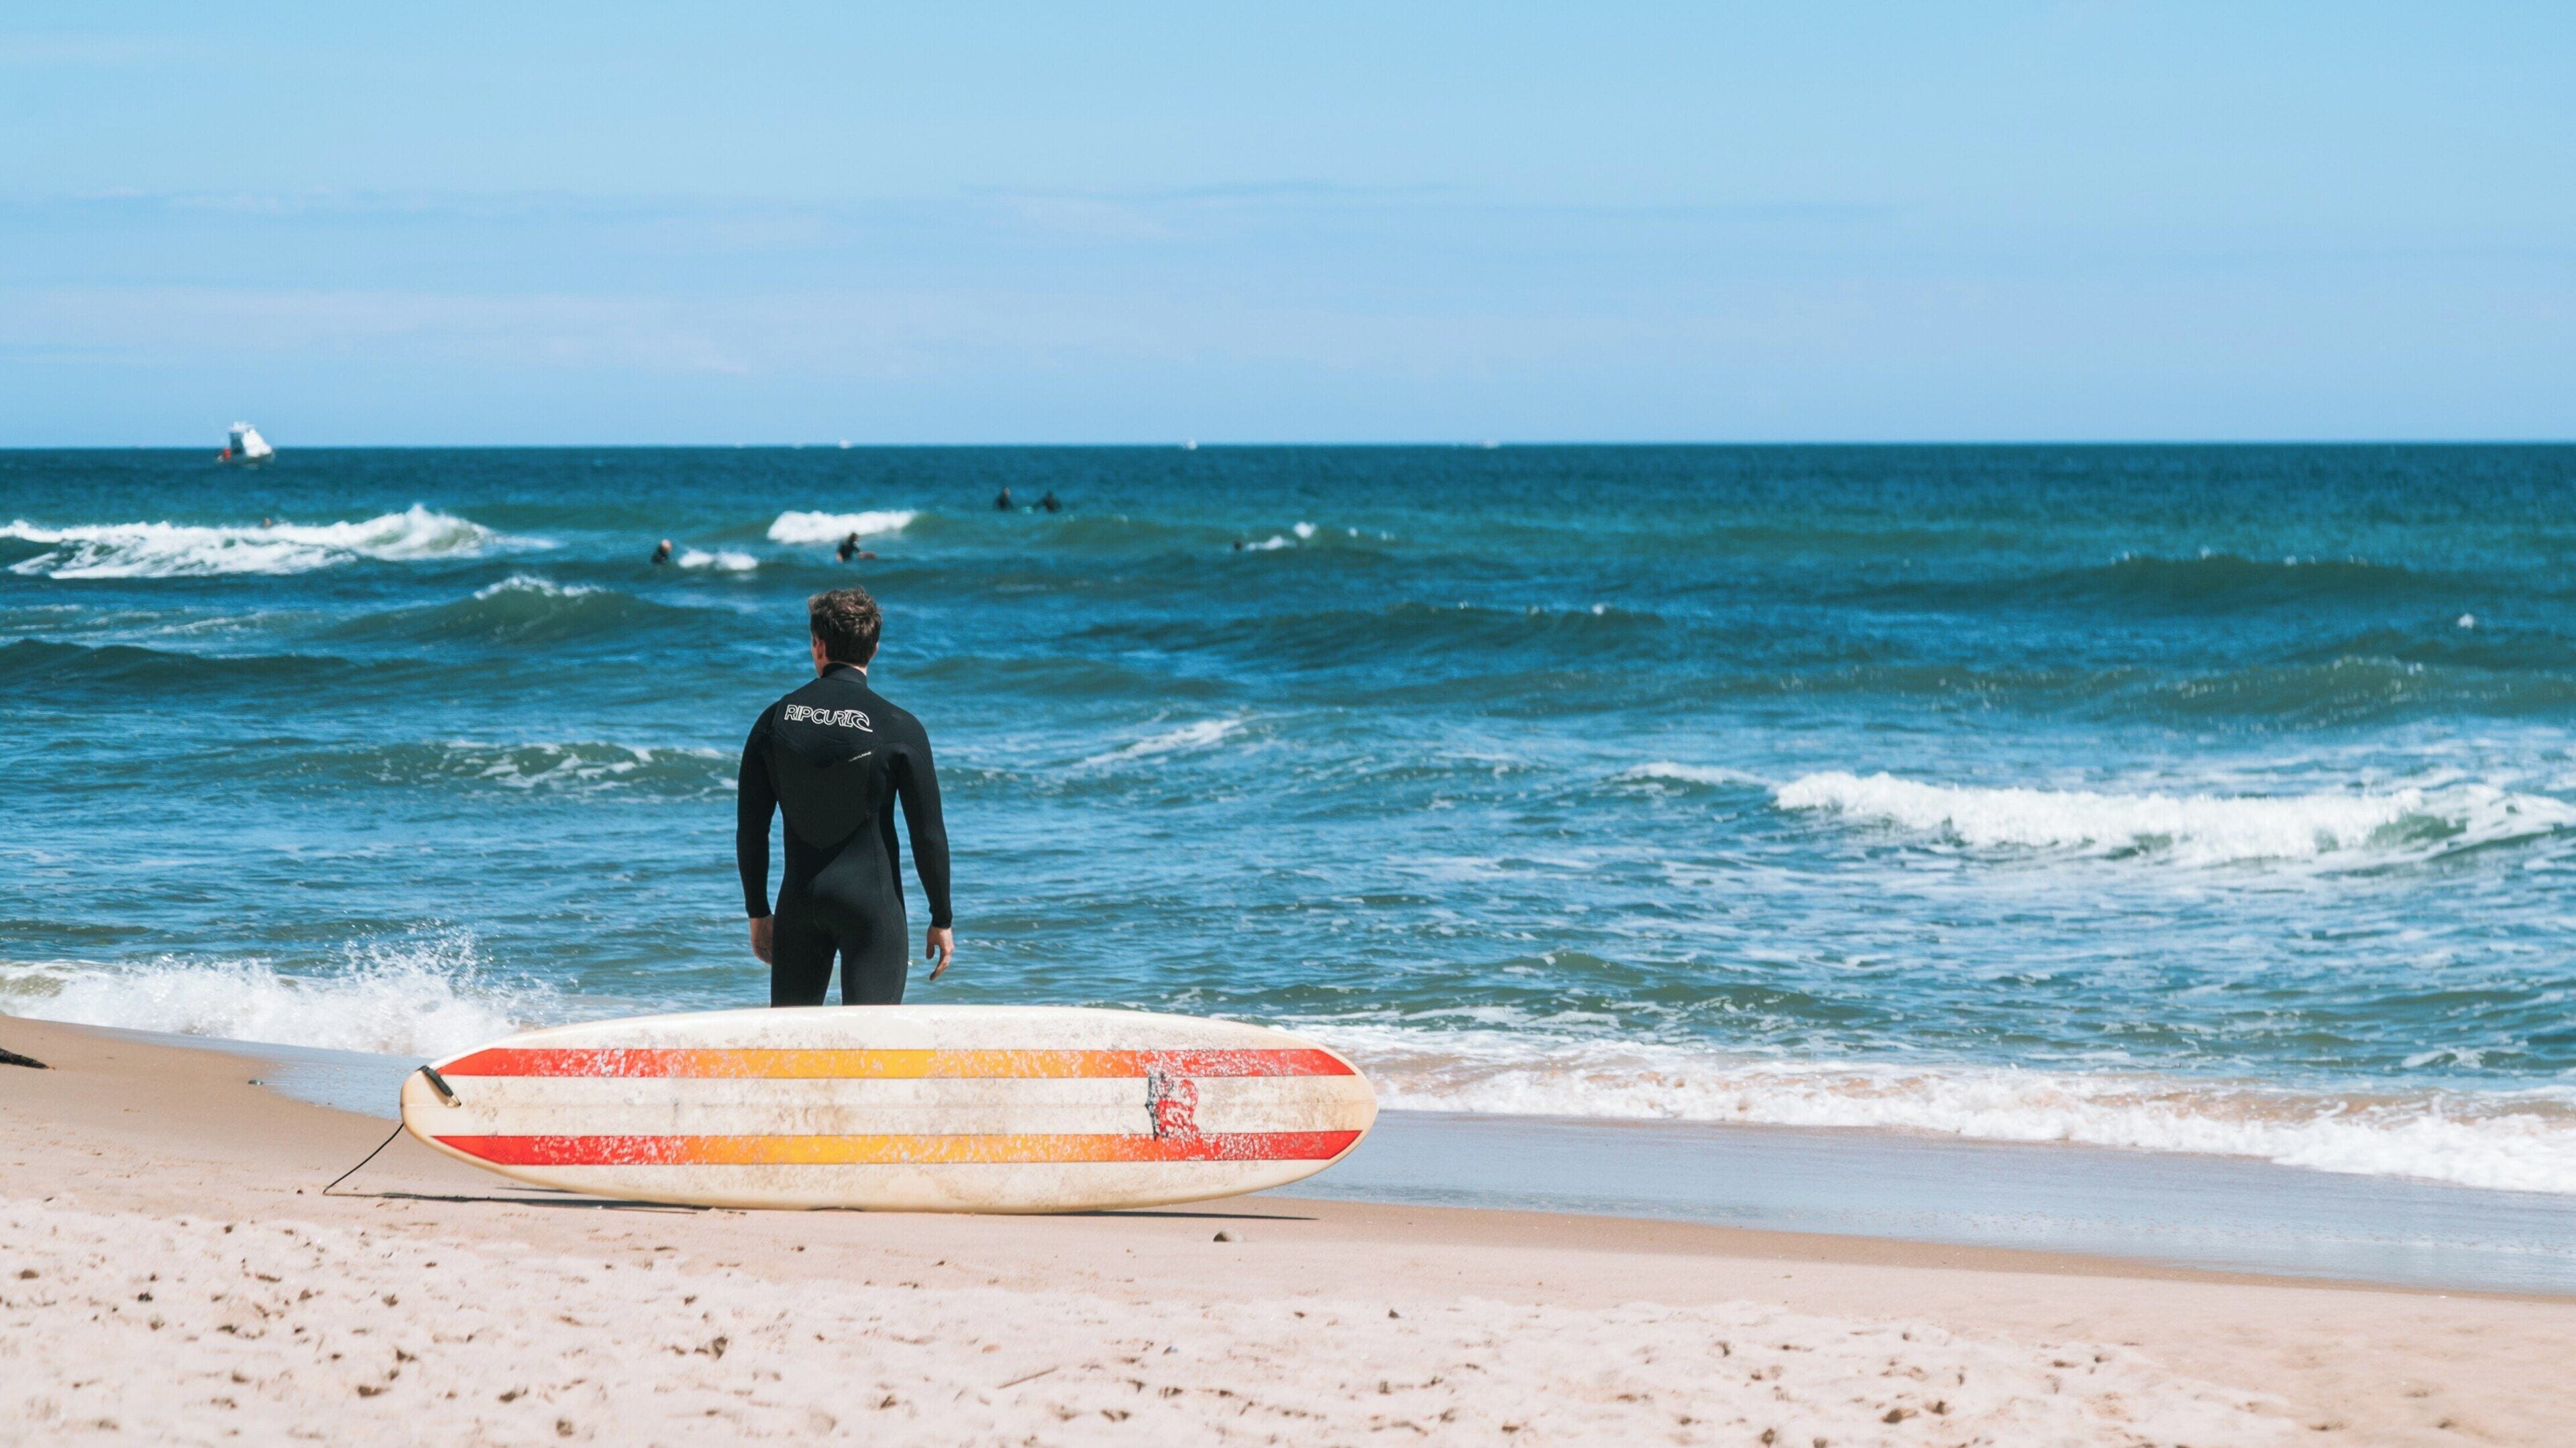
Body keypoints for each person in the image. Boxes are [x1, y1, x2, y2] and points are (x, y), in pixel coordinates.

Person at [736, 588, 953, 1005]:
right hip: (872, 909)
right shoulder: (900, 726)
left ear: (817, 644)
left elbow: (752, 826)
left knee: (792, 1051)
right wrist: (941, 917)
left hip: (798, 905)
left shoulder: (774, 718)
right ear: (874, 648)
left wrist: (758, 912)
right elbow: (928, 834)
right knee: (870, 1051)